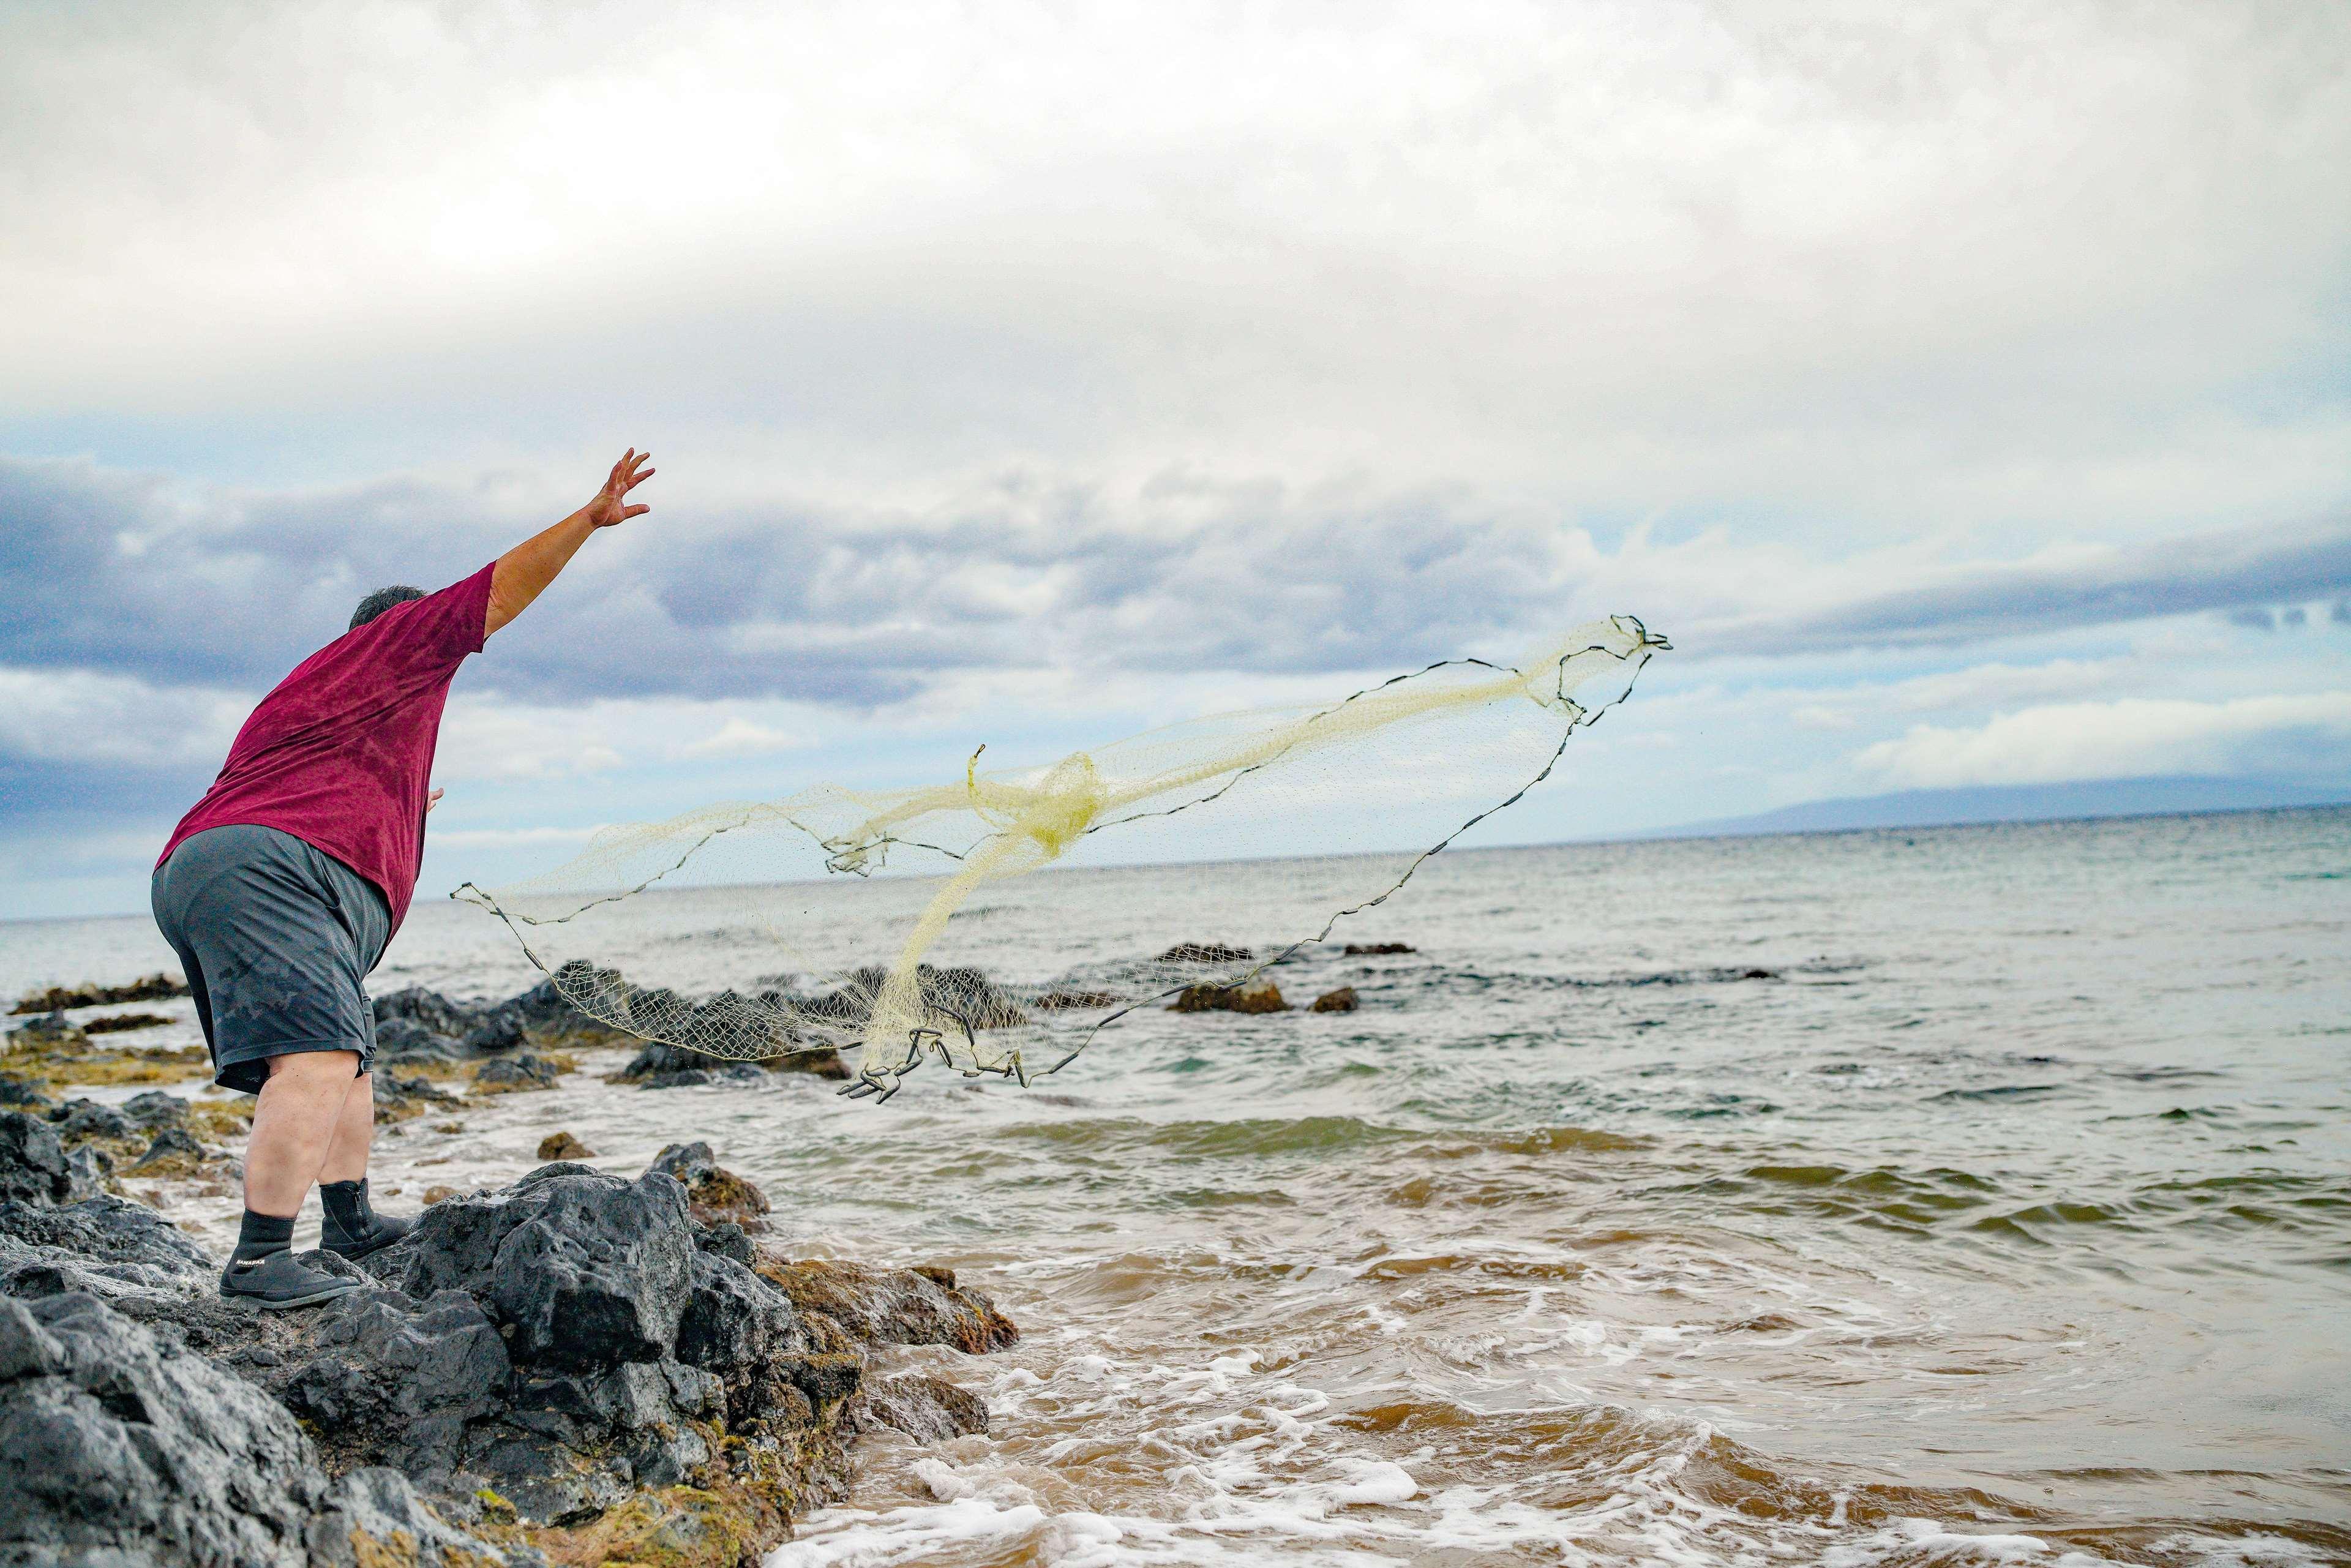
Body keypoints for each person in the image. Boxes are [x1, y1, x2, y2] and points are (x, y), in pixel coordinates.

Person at [150, 449, 656, 1308]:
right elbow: (492, 593)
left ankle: (348, 1223)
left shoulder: (324, 697)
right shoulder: (396, 646)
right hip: (268, 869)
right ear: (393, 634)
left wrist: (406, 795)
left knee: (343, 1052)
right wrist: (587, 519)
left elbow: (306, 773)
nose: (453, 653)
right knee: (316, 1053)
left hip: (217, 868)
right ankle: (259, 1258)